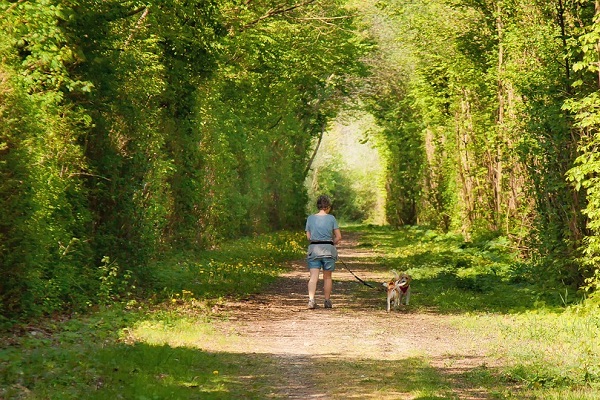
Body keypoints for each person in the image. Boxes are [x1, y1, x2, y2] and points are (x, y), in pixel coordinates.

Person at [305, 195, 342, 309]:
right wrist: (332, 242)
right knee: (327, 277)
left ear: (318, 206)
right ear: (328, 206)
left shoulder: (310, 218)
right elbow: (338, 236)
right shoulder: (331, 218)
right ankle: (327, 300)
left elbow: (308, 237)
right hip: (328, 250)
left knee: (313, 277)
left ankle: (311, 300)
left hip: (314, 250)